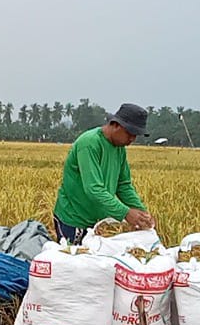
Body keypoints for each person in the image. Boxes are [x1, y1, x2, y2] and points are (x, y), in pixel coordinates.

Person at [51, 103, 155, 243]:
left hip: (98, 223)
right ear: (116, 125)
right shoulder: (89, 144)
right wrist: (126, 213)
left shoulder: (119, 148)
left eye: (135, 135)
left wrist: (141, 213)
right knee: (76, 262)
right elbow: (93, 189)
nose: (132, 139)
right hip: (74, 220)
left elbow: (123, 185)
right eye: (129, 133)